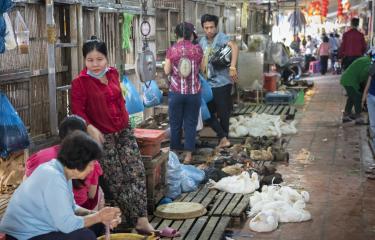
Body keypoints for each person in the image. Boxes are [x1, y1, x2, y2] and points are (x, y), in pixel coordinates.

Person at [70, 36, 155, 234]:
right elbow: (77, 111)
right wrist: (89, 127)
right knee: (118, 179)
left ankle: (142, 218)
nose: (95, 64)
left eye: (99, 59)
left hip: (124, 131)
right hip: (102, 136)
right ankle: (136, 220)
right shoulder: (80, 82)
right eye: (90, 60)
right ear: (84, 61)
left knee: (136, 171)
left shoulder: (113, 74)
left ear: (106, 58)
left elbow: (119, 100)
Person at [0, 131, 121, 240]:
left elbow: (72, 207)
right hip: (23, 235)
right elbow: (67, 225)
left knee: (98, 224)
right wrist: (98, 216)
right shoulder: (53, 177)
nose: (92, 169)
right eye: (90, 164)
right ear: (78, 162)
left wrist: (98, 215)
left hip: (40, 229)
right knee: (85, 236)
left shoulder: (62, 172)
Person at [24, 115, 103, 210]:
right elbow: (92, 195)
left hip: (43, 209)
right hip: (78, 209)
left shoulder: (40, 157)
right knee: (99, 193)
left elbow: (27, 185)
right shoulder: (90, 162)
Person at [164, 22, 203, 164]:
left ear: (176, 35)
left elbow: (167, 71)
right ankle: (188, 156)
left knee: (175, 123)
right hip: (194, 93)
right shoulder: (198, 49)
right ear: (191, 35)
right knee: (190, 124)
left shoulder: (171, 50)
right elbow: (203, 68)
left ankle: (174, 154)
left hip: (176, 93)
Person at [199, 14, 239, 148]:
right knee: (207, 112)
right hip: (208, 83)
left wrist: (233, 66)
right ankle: (222, 136)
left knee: (223, 112)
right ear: (203, 28)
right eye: (206, 28)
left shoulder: (220, 37)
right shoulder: (202, 42)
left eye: (211, 27)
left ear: (216, 27)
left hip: (222, 81)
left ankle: (224, 139)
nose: (209, 30)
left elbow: (234, 46)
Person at [340, 54, 372, 124]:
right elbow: (365, 74)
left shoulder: (365, 59)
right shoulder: (369, 63)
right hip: (350, 81)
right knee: (357, 97)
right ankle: (359, 118)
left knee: (351, 98)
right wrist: (366, 83)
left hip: (347, 79)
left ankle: (346, 115)